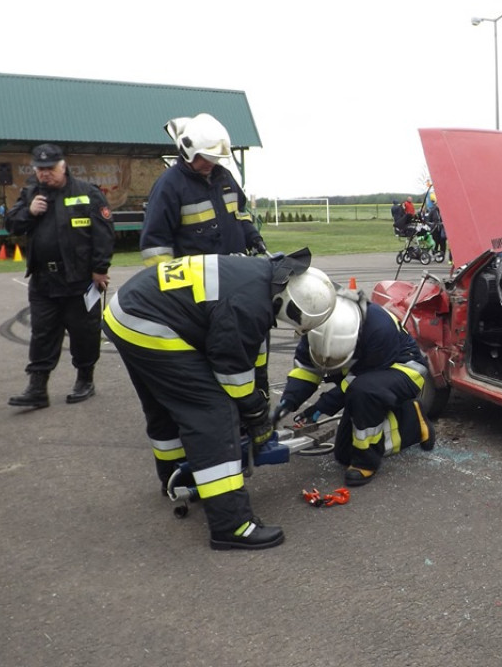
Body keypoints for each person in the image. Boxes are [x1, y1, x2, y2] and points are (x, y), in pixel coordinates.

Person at [101, 251, 337, 550]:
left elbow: (253, 353)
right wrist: (254, 415)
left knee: (166, 406)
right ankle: (231, 525)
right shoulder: (247, 305)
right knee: (213, 413)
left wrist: (260, 398)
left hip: (130, 312)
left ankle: (179, 476)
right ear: (290, 308)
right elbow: (230, 370)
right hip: (150, 322)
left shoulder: (262, 280)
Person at [272, 289, 436, 487]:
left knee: (364, 393)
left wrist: (320, 408)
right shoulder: (317, 326)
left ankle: (366, 462)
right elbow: (306, 369)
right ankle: (413, 422)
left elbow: (356, 384)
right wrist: (288, 402)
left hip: (405, 370)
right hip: (362, 378)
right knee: (343, 455)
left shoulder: (379, 328)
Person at [6, 144, 115, 409]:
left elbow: (103, 232)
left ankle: (84, 380)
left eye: (50, 169)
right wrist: (29, 212)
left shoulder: (87, 193)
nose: (45, 174)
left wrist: (100, 268)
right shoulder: (30, 193)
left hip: (80, 280)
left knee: (85, 333)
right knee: (42, 334)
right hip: (44, 281)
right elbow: (11, 225)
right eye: (40, 169)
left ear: (63, 166)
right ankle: (37, 388)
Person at [140, 113, 266, 266]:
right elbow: (155, 245)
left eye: (214, 158)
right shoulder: (169, 186)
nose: (210, 163)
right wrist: (170, 283)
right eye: (205, 157)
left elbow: (240, 214)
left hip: (234, 273)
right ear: (188, 151)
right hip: (196, 282)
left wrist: (253, 238)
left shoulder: (225, 178)